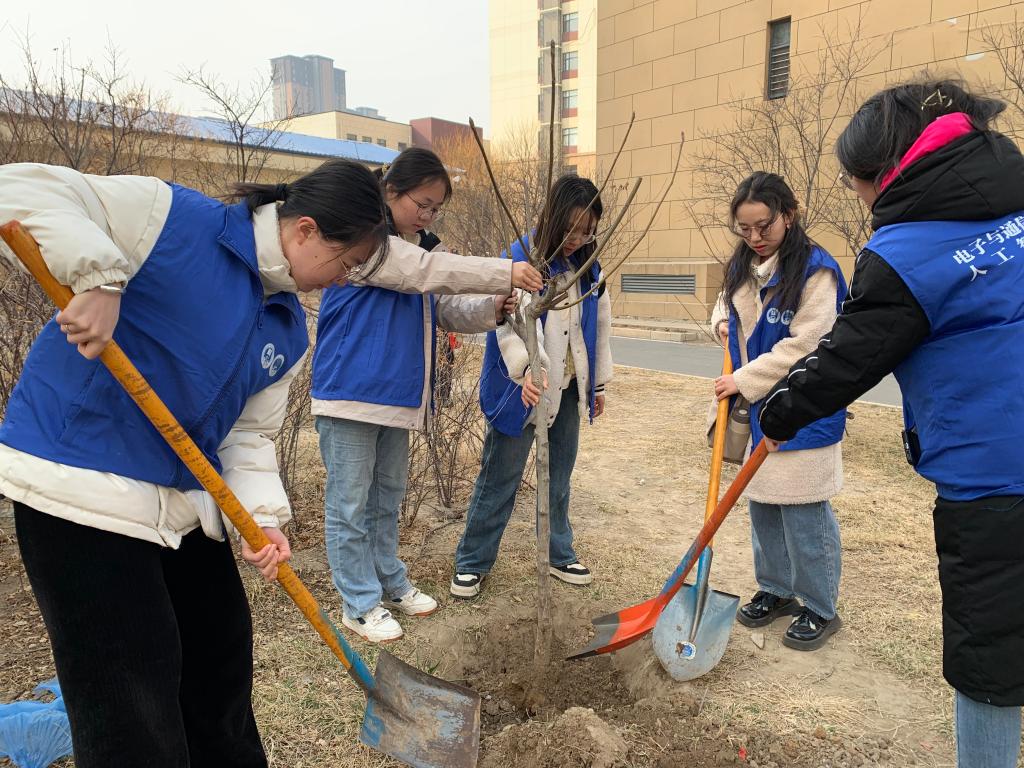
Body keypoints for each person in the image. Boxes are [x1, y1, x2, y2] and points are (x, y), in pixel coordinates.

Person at [0, 159, 388, 768]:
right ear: (306, 230)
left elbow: (249, 437)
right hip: (79, 487)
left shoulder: (287, 326)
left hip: (179, 502)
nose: (344, 281)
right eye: (348, 262)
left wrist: (261, 517)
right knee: (132, 692)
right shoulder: (171, 218)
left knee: (219, 657)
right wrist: (100, 281)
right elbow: (18, 187)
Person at [757, 79, 1024, 768]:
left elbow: (847, 358)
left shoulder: (905, 255)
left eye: (855, 181)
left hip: (996, 479)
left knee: (991, 658)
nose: (858, 196)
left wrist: (779, 411)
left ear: (887, 172)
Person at [312, 147, 543, 642]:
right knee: (349, 505)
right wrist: (505, 270)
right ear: (391, 190)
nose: (428, 215)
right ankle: (359, 602)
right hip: (350, 392)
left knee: (386, 498)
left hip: (396, 396)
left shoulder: (419, 249)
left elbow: (441, 308)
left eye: (436, 209)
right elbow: (422, 271)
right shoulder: (365, 238)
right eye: (422, 203)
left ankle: (389, 581)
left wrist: (493, 308)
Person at [450, 174, 612, 599]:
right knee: (500, 475)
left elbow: (600, 323)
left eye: (587, 230)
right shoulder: (522, 258)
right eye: (571, 228)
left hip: (568, 385)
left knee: (559, 474)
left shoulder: (589, 265)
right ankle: (472, 561)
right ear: (553, 217)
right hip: (520, 386)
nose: (578, 239)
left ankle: (559, 553)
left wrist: (596, 385)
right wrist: (528, 371)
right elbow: (512, 322)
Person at [710, 172, 847, 650]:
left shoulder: (817, 270)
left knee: (804, 511)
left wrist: (744, 379)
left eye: (763, 226)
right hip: (755, 408)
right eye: (744, 228)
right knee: (764, 505)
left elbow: (809, 343)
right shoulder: (743, 264)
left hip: (805, 406)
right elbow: (725, 307)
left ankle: (820, 606)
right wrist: (721, 323)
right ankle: (776, 588)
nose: (754, 237)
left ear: (788, 215)